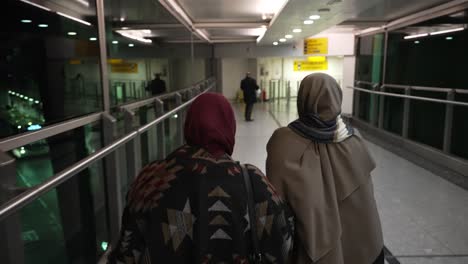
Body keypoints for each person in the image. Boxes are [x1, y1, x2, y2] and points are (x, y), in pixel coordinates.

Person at [108, 93, 293, 263]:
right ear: (229, 128)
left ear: (189, 125)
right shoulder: (254, 183)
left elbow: (127, 250)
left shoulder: (152, 178)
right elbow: (282, 247)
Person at [266, 73, 384, 264]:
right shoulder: (354, 141)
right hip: (364, 246)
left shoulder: (283, 143)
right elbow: (367, 200)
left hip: (310, 250)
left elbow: (275, 202)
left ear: (303, 99)